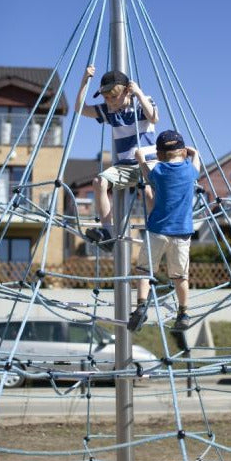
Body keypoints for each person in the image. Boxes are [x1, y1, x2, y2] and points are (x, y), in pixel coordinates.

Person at [75, 65, 159, 252]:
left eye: (113, 97)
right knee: (99, 181)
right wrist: (84, 82)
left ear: (126, 91)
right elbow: (80, 109)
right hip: (125, 166)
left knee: (147, 192)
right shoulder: (109, 111)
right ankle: (108, 232)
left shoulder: (141, 103)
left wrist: (138, 93)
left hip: (148, 162)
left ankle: (157, 231)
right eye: (106, 98)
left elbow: (153, 118)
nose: (110, 102)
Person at [127, 130, 200, 332]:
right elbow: (197, 165)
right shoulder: (189, 171)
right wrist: (195, 153)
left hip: (157, 231)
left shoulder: (159, 171)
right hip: (182, 234)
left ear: (159, 155)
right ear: (183, 152)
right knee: (179, 276)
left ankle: (141, 306)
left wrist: (141, 159)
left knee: (144, 270)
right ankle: (183, 313)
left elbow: (146, 174)